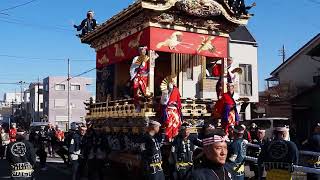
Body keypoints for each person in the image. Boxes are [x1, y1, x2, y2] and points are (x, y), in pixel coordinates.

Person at [160, 77, 182, 141]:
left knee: (176, 122)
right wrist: (167, 95)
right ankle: (168, 137)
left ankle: (175, 137)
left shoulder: (176, 90)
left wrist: (177, 106)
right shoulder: (165, 91)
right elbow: (163, 102)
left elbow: (178, 100)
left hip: (175, 109)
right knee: (168, 123)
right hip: (168, 109)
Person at [130, 46, 150, 112]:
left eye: (144, 50)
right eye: (141, 50)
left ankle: (147, 105)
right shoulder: (136, 58)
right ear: (139, 51)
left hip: (146, 76)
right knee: (137, 91)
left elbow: (151, 67)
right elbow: (133, 67)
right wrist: (140, 64)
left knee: (146, 91)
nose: (143, 51)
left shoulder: (148, 57)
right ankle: (137, 106)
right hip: (138, 76)